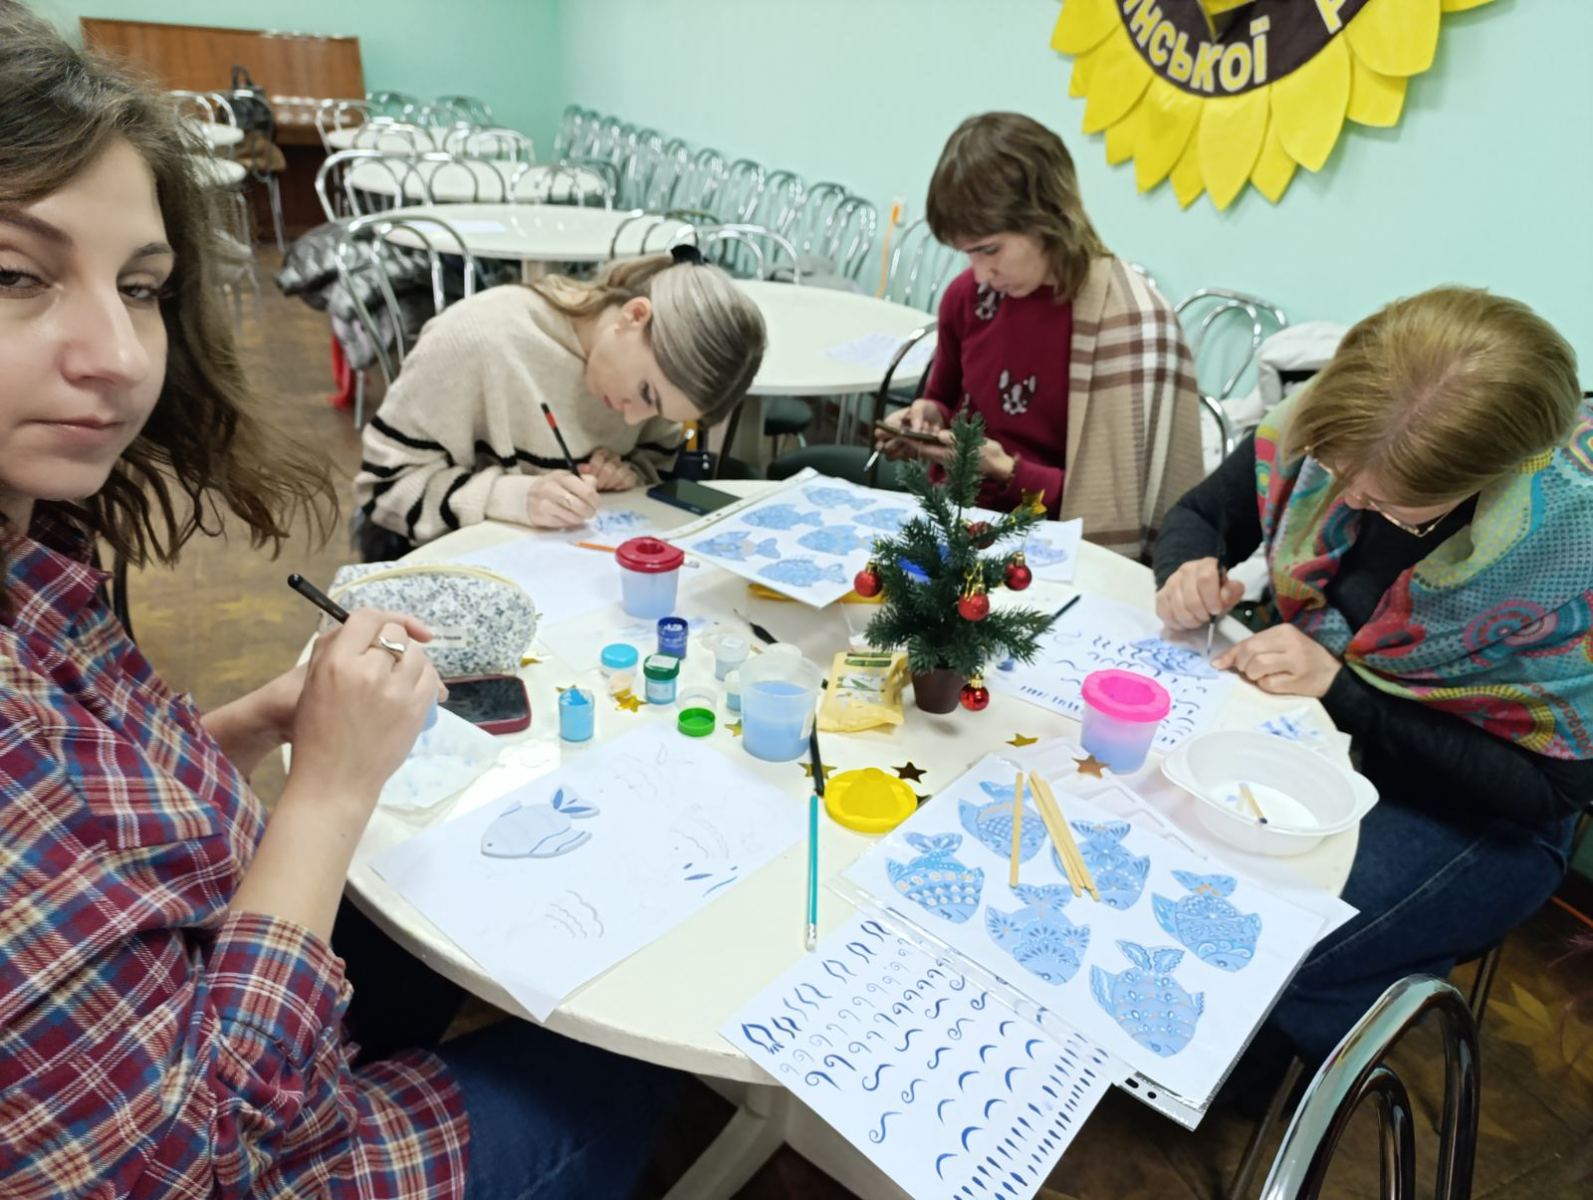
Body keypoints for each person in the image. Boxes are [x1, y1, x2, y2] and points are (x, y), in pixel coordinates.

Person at [0, 11, 666, 1197]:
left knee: (458, 906)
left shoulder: (37, 552)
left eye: (143, 287)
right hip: (247, 1151)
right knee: (629, 1070)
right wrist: (332, 788)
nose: (122, 356)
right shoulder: (481, 339)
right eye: (14, 274)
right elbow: (188, 1160)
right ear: (632, 320)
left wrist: (256, 721)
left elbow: (76, 832)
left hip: (211, 980)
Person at [1153, 286, 1593, 1074]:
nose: (1346, 498)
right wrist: (1187, 567)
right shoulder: (1339, 422)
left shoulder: (1567, 559)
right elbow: (1203, 515)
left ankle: (1274, 1077)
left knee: (1272, 949)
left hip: (1474, 812)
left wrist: (1342, 690)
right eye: (1331, 468)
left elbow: (1545, 795)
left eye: (1389, 506)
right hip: (1319, 732)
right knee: (1168, 851)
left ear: (1487, 484)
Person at [875, 111, 1203, 557]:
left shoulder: (1132, 324)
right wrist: (926, 419)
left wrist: (1007, 471)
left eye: (990, 250)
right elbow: (944, 399)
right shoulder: (966, 297)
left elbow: (1122, 510)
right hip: (954, 521)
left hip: (1060, 549)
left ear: (1047, 220)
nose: (981, 274)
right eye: (968, 254)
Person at [353, 251, 767, 555]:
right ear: (635, 315)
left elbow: (654, 467)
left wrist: (627, 473)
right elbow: (384, 489)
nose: (632, 418)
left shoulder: (657, 386)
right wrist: (512, 497)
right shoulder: (478, 339)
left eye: (657, 412)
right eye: (645, 394)